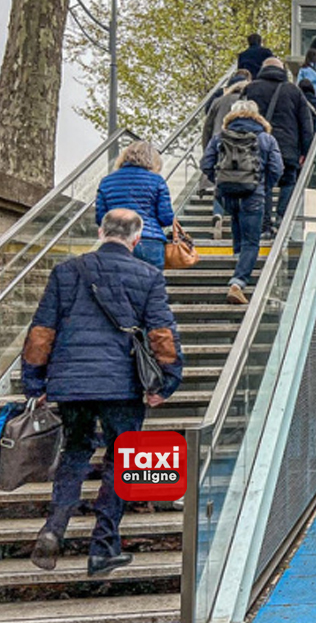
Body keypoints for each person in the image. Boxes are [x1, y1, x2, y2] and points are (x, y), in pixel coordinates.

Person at [22, 208, 183, 576]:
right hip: (121, 385)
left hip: (71, 383)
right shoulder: (148, 276)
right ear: (137, 239)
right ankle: (103, 547)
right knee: (122, 460)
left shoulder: (66, 271)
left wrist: (34, 382)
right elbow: (161, 334)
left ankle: (54, 528)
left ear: (100, 231)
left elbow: (41, 331)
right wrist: (167, 381)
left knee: (75, 452)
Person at [201, 100, 284, 304]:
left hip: (227, 195)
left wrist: (219, 182)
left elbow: (206, 164)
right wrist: (263, 186)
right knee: (251, 241)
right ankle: (238, 282)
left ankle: (239, 263)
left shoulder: (220, 137)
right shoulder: (266, 138)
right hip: (253, 195)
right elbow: (277, 168)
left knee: (236, 225)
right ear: (256, 115)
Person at [243, 58, 312, 236]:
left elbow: (238, 116)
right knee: (288, 181)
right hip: (288, 146)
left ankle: (264, 225)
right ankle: (282, 217)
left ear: (263, 68)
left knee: (262, 184)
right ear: (282, 70)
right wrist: (305, 151)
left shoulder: (251, 89)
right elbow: (306, 123)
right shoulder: (294, 91)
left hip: (256, 144)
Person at [96, 141, 174, 270]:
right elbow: (166, 218)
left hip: (115, 242)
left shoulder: (107, 181)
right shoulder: (156, 180)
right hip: (149, 241)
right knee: (151, 281)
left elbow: (101, 218)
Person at [202, 69, 251, 239]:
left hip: (219, 144)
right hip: (242, 146)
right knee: (242, 181)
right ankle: (240, 218)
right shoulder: (247, 103)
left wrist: (207, 149)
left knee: (220, 183)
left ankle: (218, 214)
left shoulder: (218, 101)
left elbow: (207, 127)